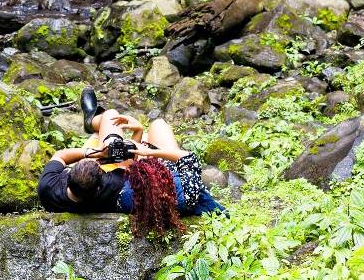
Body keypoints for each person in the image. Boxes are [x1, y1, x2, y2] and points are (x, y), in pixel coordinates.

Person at [37, 87, 225, 235]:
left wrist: (91, 152)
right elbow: (136, 160)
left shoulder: (47, 188)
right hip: (168, 171)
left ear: (69, 175)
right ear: (99, 186)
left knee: (111, 128)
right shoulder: (116, 187)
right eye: (100, 168)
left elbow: (60, 155)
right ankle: (97, 122)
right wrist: (141, 139)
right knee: (156, 125)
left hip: (107, 168)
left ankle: (93, 121)